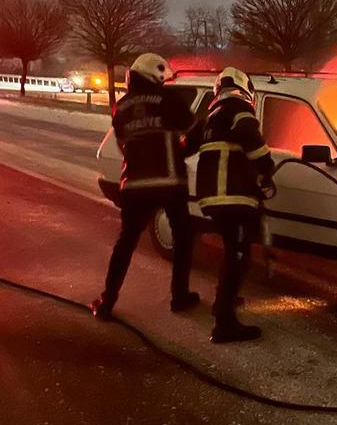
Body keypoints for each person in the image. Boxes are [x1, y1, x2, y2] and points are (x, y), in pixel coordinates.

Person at [89, 53, 199, 320]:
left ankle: (107, 302)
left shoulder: (121, 107)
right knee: (183, 239)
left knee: (126, 243)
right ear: (157, 77)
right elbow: (194, 128)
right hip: (169, 181)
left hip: (135, 185)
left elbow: (124, 143)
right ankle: (179, 297)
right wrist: (180, 151)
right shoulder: (170, 100)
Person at [196, 67, 274, 343]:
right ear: (245, 88)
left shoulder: (211, 115)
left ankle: (222, 303)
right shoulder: (238, 107)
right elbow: (251, 137)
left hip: (213, 197)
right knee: (238, 255)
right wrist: (267, 167)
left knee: (233, 251)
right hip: (231, 196)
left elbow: (187, 145)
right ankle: (224, 324)